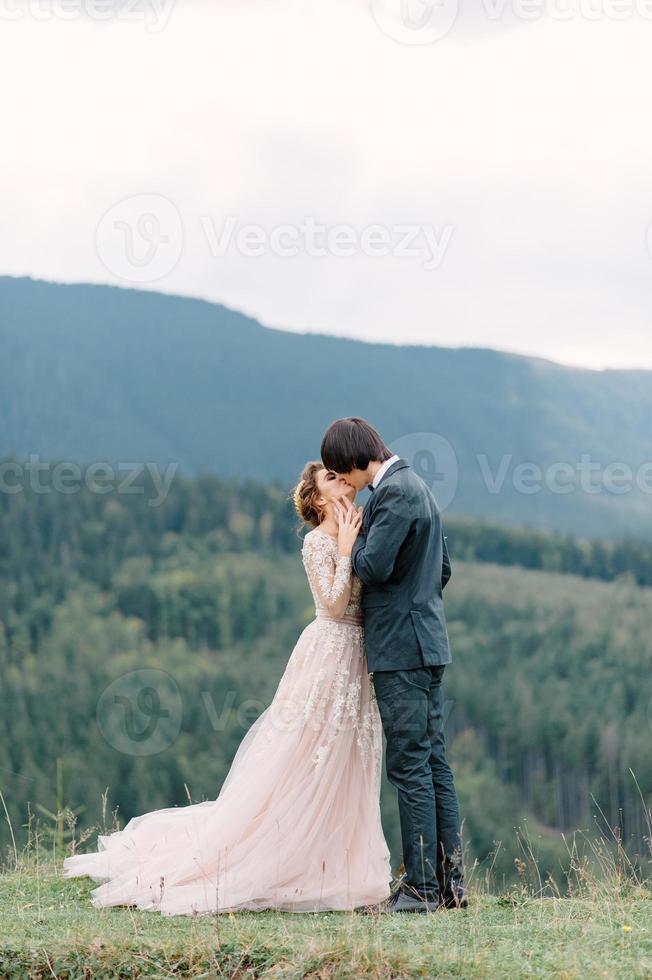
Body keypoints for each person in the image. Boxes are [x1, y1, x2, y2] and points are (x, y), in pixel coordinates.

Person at [62, 460, 392, 915]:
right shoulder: (318, 542)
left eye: (341, 476)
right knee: (309, 753)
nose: (341, 482)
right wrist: (347, 547)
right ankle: (286, 855)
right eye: (330, 479)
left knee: (352, 756)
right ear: (316, 500)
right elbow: (334, 606)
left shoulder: (362, 525)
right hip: (328, 653)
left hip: (360, 658)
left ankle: (341, 861)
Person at [321, 416, 467, 913]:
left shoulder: (394, 493)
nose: (349, 485)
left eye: (345, 472)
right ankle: (449, 886)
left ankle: (420, 890)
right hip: (427, 641)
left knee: (410, 765)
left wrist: (352, 538)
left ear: (358, 460)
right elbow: (442, 568)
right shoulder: (418, 486)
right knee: (433, 762)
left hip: (401, 650)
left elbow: (372, 566)